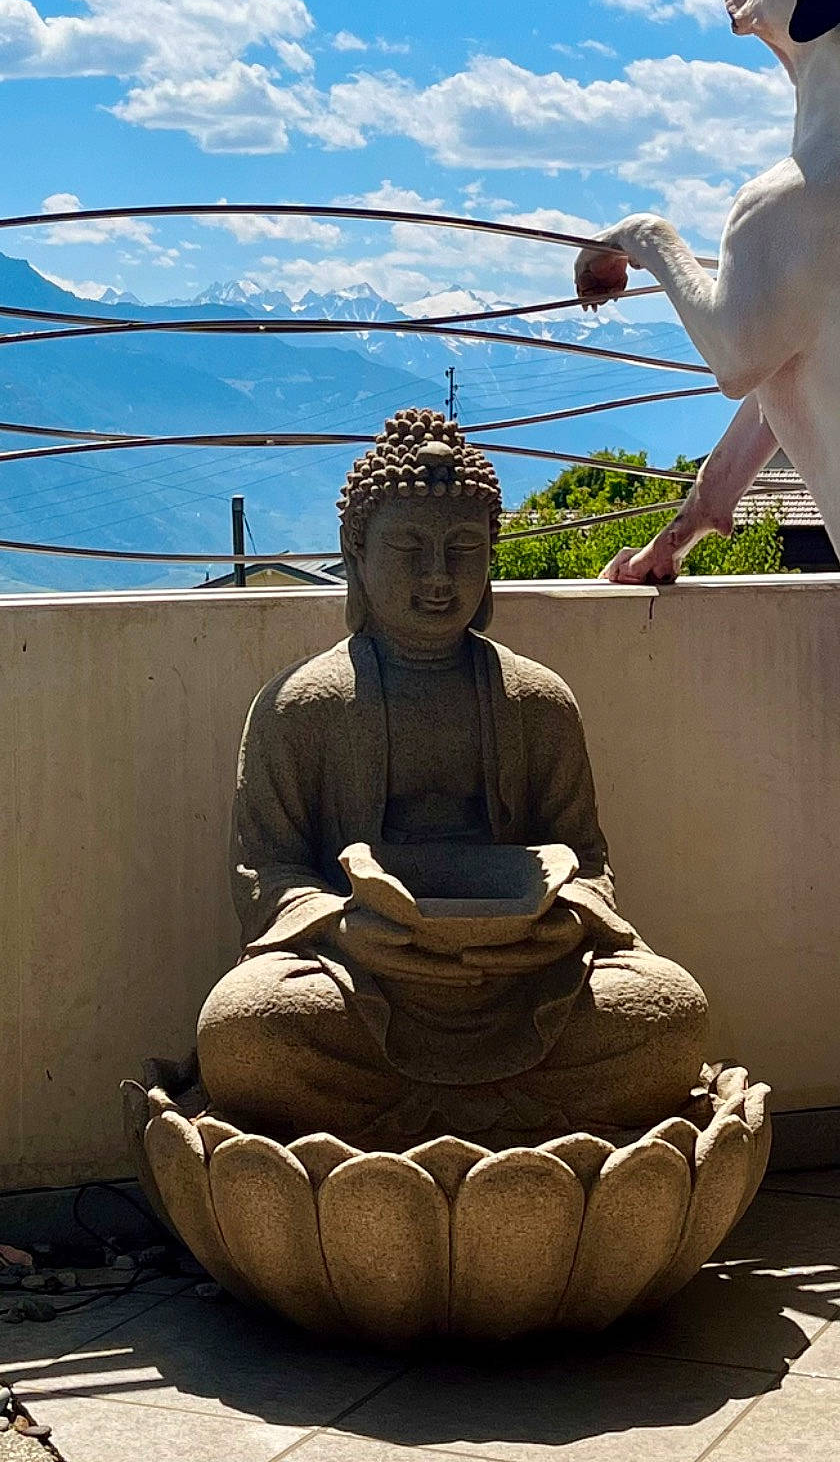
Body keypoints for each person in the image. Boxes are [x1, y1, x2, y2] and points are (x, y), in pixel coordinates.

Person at [196, 409, 710, 1146]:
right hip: (366, 980)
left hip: (519, 981)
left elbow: (586, 862)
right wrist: (342, 926)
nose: (439, 576)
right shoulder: (301, 706)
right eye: (409, 548)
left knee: (668, 1010)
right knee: (246, 1028)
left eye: (463, 549)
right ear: (356, 552)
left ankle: (389, 1138)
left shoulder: (536, 701)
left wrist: (564, 923)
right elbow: (265, 871)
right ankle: (522, 1128)